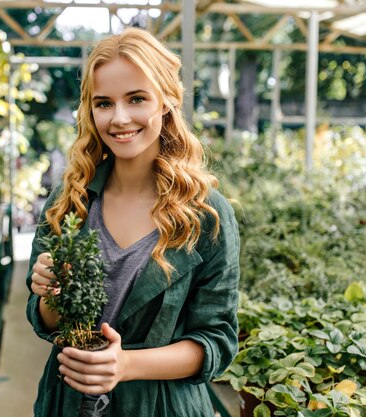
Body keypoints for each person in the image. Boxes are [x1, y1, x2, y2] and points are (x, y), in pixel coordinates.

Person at [26, 27, 240, 417]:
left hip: (160, 406)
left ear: (167, 101)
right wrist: (49, 294)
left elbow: (216, 341)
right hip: (66, 403)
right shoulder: (69, 202)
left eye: (137, 98)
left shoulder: (206, 216)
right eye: (104, 103)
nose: (120, 118)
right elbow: (45, 321)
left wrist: (125, 366)